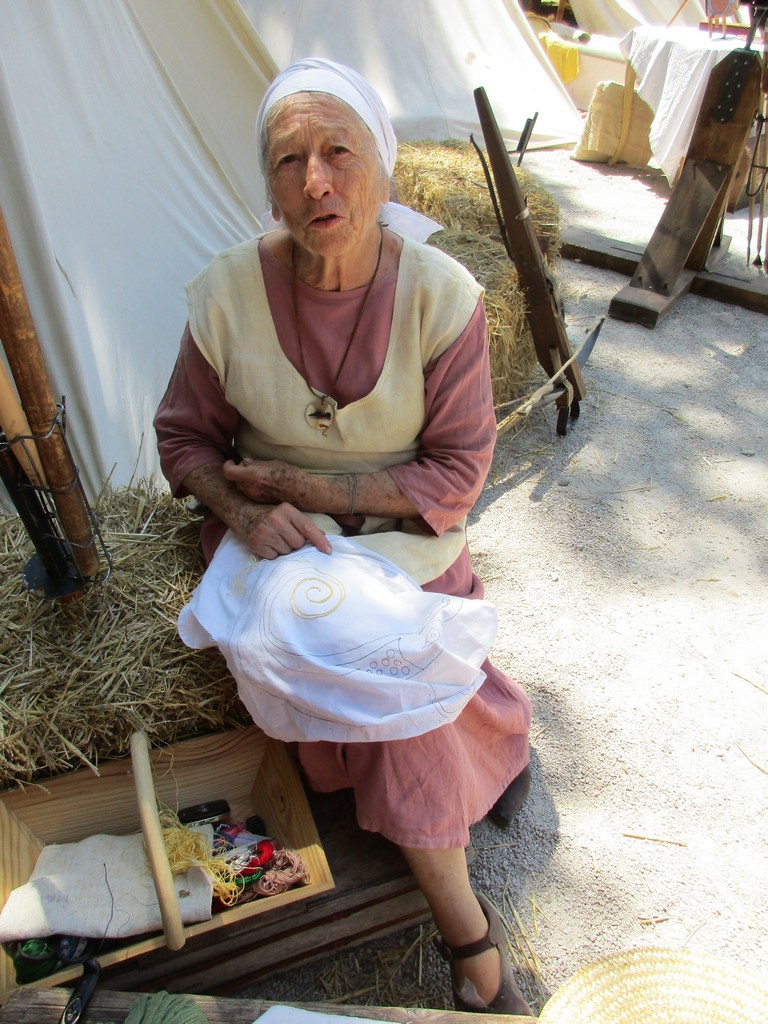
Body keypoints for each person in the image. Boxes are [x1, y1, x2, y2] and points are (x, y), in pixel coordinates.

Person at [154, 58, 532, 1015]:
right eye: (289, 161)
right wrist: (248, 510)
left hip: (404, 537)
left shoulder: (444, 297)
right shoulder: (225, 294)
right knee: (357, 651)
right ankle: (464, 916)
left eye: (338, 152)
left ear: (383, 164)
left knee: (386, 661)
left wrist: (306, 481)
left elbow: (456, 474)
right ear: (269, 183)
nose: (315, 181)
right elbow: (184, 441)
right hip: (278, 542)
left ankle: (460, 918)